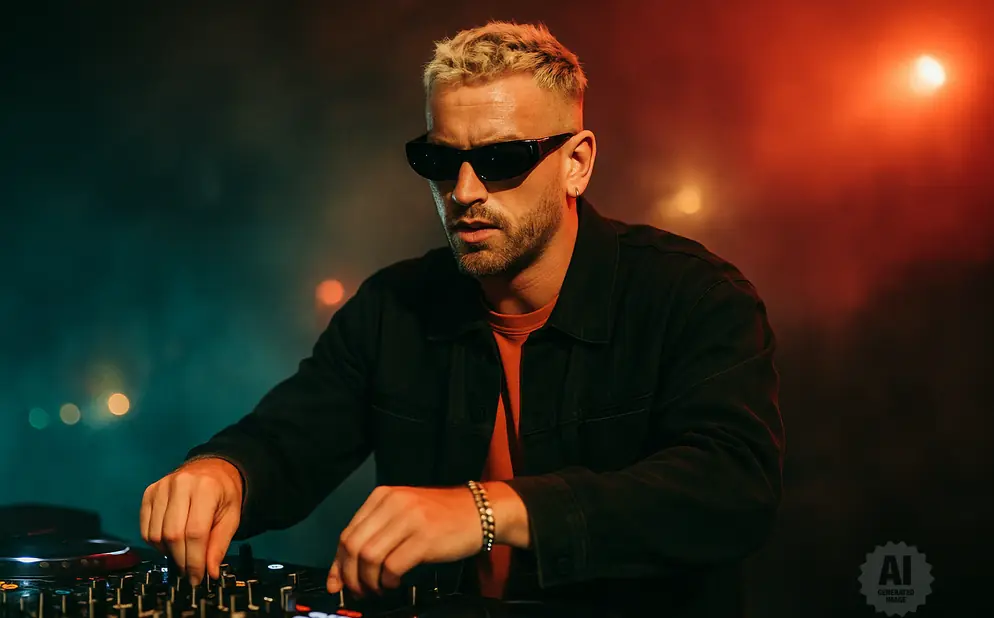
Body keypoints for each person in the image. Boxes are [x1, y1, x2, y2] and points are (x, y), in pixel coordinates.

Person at [140, 20, 785, 617]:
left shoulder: (693, 296)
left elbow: (731, 489)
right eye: (441, 161)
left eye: (503, 159)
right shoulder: (394, 307)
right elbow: (292, 438)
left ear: (578, 163)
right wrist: (224, 471)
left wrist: (488, 509)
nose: (466, 191)